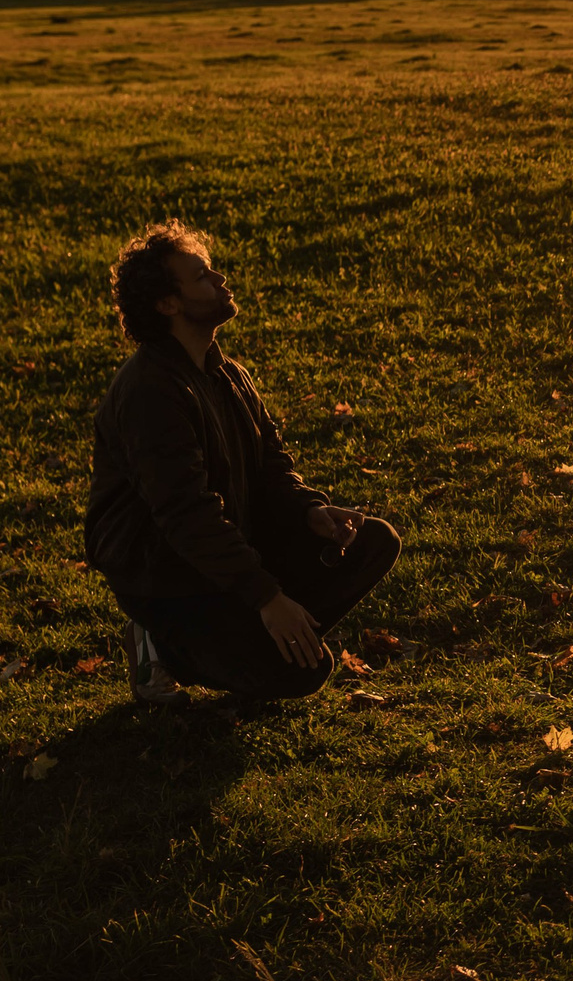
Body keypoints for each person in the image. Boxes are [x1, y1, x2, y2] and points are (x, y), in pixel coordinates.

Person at [84, 221, 400, 707]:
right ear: (168, 303)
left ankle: (259, 632)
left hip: (225, 553)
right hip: (168, 578)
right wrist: (267, 598)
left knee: (372, 541)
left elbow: (272, 466)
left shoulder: (226, 373)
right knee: (303, 673)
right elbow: (186, 517)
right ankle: (161, 646)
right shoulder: (151, 392)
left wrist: (307, 511)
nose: (221, 281)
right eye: (203, 276)